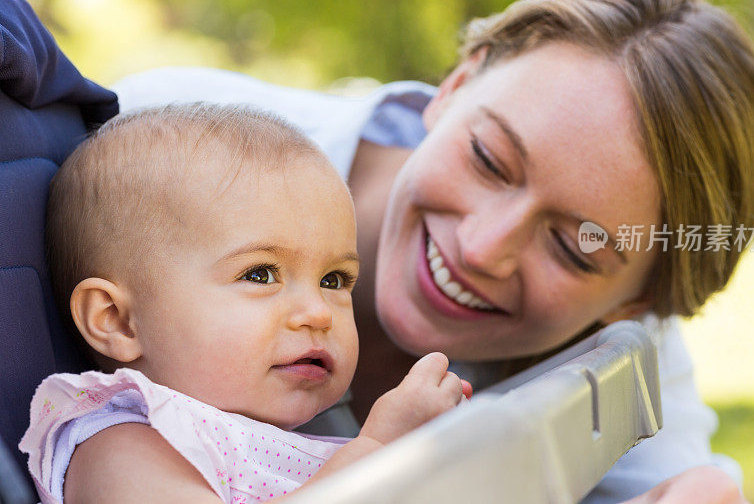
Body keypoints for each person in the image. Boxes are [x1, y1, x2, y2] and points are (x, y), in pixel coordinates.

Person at [111, 0, 754, 501]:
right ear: (457, 82)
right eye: (490, 159)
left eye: (574, 249)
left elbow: (698, 483)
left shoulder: (622, 345)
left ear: (636, 301)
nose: (484, 247)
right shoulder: (151, 155)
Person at [19, 103, 470, 504]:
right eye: (259, 274)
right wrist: (378, 451)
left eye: (334, 279)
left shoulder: (281, 438)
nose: (317, 313)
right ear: (118, 321)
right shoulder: (121, 446)